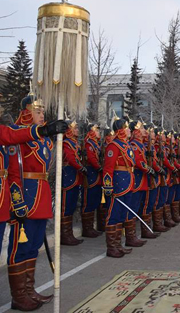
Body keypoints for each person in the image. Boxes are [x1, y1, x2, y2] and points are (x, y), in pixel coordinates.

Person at [6, 94, 68, 310]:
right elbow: (14, 170)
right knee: (20, 247)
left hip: (40, 194)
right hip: (25, 194)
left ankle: (29, 290)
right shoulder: (17, 134)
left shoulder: (42, 138)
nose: (42, 115)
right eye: (38, 111)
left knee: (33, 246)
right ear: (26, 111)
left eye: (43, 111)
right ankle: (19, 296)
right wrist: (17, 201)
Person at [102, 118, 136, 258]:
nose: (129, 130)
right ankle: (111, 248)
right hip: (118, 185)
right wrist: (108, 185)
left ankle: (118, 245)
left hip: (127, 182)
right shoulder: (113, 146)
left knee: (121, 215)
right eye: (126, 128)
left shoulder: (125, 145)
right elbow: (108, 168)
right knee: (113, 215)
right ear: (120, 130)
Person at [61, 120, 86, 246]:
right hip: (69, 174)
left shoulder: (75, 143)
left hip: (75, 176)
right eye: (75, 128)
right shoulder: (66, 143)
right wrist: (80, 166)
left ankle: (69, 233)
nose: (77, 130)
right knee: (66, 205)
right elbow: (71, 158)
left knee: (71, 205)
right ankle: (65, 235)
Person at [82, 123, 103, 238]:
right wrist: (99, 167)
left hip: (96, 174)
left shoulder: (96, 144)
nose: (99, 133)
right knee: (89, 201)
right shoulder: (89, 144)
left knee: (95, 200)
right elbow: (91, 158)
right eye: (97, 130)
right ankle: (87, 228)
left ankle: (91, 227)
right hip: (91, 173)